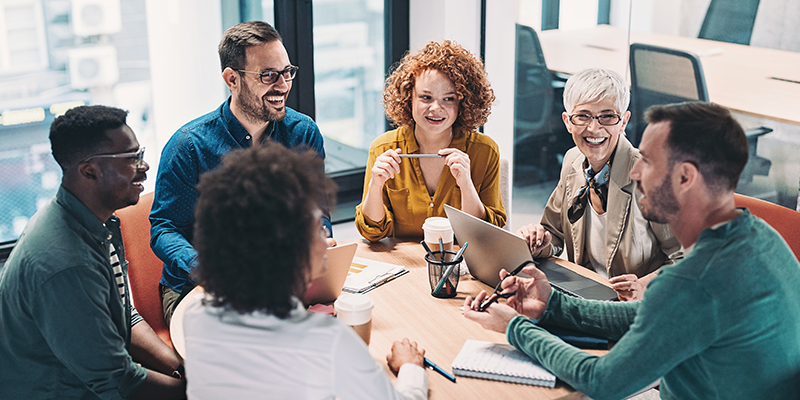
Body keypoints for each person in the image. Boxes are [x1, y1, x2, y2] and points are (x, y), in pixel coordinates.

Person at [464, 102, 800, 399]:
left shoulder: (694, 281)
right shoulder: (761, 237)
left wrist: (515, 328)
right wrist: (551, 305)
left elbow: (601, 381)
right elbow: (650, 314)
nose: (635, 171)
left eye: (648, 161)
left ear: (685, 177)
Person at [182, 143, 429, 399]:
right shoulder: (329, 342)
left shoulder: (196, 317)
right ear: (287, 248)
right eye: (317, 229)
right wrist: (411, 368)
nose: (327, 239)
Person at [150, 21, 333, 325]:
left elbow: (318, 211)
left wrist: (320, 237)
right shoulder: (189, 146)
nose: (283, 85)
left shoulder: (303, 133)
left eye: (287, 72)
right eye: (268, 75)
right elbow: (164, 229)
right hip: (197, 287)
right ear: (232, 79)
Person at [0, 105, 185, 399]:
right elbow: (119, 382)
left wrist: (180, 368)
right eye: (131, 158)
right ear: (89, 171)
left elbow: (123, 316)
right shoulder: (66, 264)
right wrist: (201, 391)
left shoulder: (93, 219)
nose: (144, 166)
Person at [516, 68, 680, 300]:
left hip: (635, 309)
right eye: (583, 116)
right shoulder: (573, 161)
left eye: (608, 116)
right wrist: (537, 240)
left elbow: (689, 259)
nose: (594, 128)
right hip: (583, 296)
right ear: (567, 121)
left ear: (623, 121)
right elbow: (554, 235)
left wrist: (645, 286)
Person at [355, 40, 506, 241]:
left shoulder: (485, 151)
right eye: (426, 97)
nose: (436, 108)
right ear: (408, 98)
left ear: (463, 102)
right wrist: (376, 185)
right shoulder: (383, 148)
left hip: (461, 265)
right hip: (404, 266)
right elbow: (372, 232)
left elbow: (487, 235)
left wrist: (466, 184)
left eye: (449, 98)